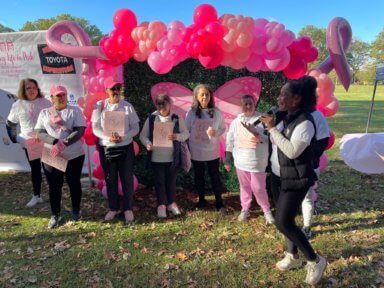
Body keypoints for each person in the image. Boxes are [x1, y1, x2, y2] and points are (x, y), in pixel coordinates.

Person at [259, 76, 327, 285]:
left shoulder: (306, 121)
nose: (279, 98)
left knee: (283, 221)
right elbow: (273, 140)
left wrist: (271, 129)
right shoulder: (286, 116)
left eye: (283, 95)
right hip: (279, 175)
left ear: (296, 99)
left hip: (297, 178)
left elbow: (291, 151)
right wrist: (265, 127)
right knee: (286, 221)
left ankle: (315, 260)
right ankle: (293, 256)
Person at [35, 85, 86, 228]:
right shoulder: (45, 112)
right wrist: (55, 142)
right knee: (54, 186)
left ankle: (76, 210)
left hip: (73, 154)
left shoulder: (75, 111)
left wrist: (64, 143)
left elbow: (80, 130)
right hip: (52, 155)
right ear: (51, 98)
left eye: (63, 94)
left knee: (74, 183)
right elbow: (39, 132)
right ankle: (55, 214)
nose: (62, 97)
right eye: (58, 95)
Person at [91, 77, 140, 224]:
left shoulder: (127, 106)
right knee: (110, 179)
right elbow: (95, 128)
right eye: (113, 89)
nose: (116, 91)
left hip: (125, 148)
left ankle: (128, 208)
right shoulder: (99, 106)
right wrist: (108, 137)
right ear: (107, 90)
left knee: (126, 179)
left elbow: (135, 128)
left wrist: (123, 137)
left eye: (118, 88)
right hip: (107, 148)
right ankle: (113, 208)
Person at [224, 95, 274, 224]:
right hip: (241, 162)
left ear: (254, 104)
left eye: (250, 104)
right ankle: (245, 209)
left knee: (258, 188)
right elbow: (230, 141)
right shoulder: (236, 122)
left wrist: (258, 134)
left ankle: (266, 210)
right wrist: (228, 159)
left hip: (258, 161)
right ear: (241, 106)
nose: (248, 106)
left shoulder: (263, 119)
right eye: (245, 104)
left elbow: (272, 137)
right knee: (244, 187)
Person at [140, 94, 189, 218]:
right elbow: (143, 136)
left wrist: (176, 136)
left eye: (164, 103)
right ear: (156, 105)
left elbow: (186, 134)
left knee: (171, 182)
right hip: (157, 157)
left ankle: (171, 203)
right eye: (159, 104)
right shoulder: (152, 118)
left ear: (170, 104)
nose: (161, 106)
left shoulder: (176, 118)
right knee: (160, 182)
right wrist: (148, 144)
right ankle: (161, 205)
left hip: (173, 157)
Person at [6, 78, 51, 208]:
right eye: (28, 88)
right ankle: (36, 196)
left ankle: (54, 195)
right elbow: (10, 124)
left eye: (34, 87)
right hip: (30, 143)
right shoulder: (17, 105)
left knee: (50, 170)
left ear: (38, 89)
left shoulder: (46, 102)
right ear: (23, 90)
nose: (32, 90)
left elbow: (55, 120)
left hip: (47, 141)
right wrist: (17, 139)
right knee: (35, 169)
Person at [185, 84, 226, 213]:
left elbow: (222, 128)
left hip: (212, 151)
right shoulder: (191, 113)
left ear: (210, 96)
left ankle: (219, 202)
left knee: (215, 176)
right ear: (196, 96)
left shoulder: (216, 112)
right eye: (202, 94)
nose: (204, 97)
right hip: (196, 150)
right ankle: (201, 200)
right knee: (199, 177)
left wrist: (216, 133)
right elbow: (186, 131)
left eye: (207, 94)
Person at [301, 104, 330, 239]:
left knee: (307, 197)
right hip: (286, 167)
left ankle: (307, 227)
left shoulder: (317, 115)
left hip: (309, 166)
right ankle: (289, 226)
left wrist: (310, 161)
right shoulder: (287, 113)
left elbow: (323, 141)